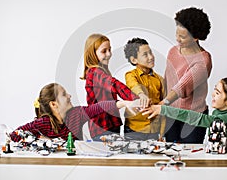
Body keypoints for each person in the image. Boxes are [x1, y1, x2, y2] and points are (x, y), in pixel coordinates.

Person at [142, 77, 227, 144]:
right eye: (215, 90)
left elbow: (199, 118)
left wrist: (163, 109)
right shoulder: (219, 112)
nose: (213, 94)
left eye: (217, 93)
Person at [9, 83, 138, 142]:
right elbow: (14, 135)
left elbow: (100, 107)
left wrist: (123, 103)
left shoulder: (76, 114)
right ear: (54, 104)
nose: (70, 96)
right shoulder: (43, 123)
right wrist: (40, 139)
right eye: (64, 95)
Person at [161, 7, 212, 143]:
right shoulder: (173, 51)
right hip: (171, 113)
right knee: (170, 154)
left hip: (192, 116)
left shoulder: (203, 60)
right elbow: (167, 80)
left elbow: (182, 86)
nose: (177, 39)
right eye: (177, 34)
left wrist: (163, 103)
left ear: (195, 38)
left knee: (190, 157)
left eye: (182, 37)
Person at [80, 33, 140, 141]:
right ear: (92, 53)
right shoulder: (94, 72)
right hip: (102, 127)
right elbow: (115, 85)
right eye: (104, 51)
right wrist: (135, 99)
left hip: (111, 124)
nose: (109, 54)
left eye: (109, 49)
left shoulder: (102, 72)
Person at [123, 37, 166, 140]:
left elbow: (164, 107)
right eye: (145, 55)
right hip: (134, 130)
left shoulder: (160, 80)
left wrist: (162, 133)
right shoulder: (131, 75)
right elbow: (133, 85)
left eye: (151, 53)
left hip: (154, 131)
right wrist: (141, 95)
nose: (151, 57)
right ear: (134, 60)